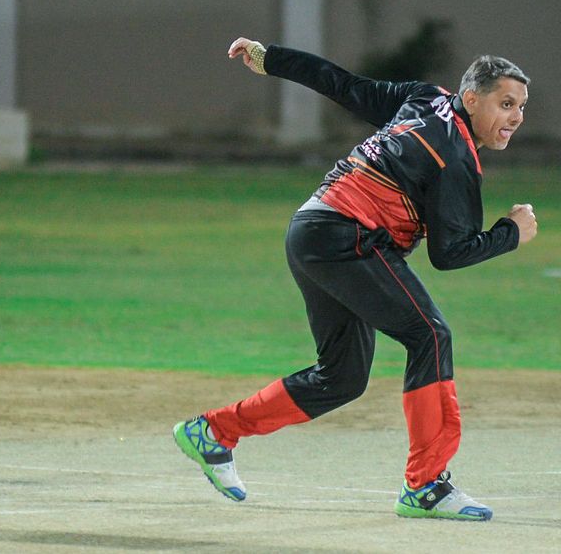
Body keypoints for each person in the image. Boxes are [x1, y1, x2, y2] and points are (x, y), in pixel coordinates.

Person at [173, 36, 537, 521]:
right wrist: (511, 233)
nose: (516, 116)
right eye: (505, 103)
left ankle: (213, 432)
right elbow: (449, 254)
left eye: (521, 106)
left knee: (341, 377)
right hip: (348, 237)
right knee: (430, 335)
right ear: (471, 99)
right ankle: (426, 485)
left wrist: (271, 58)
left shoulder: (424, 98)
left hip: (311, 228)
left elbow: (344, 86)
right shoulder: (455, 157)